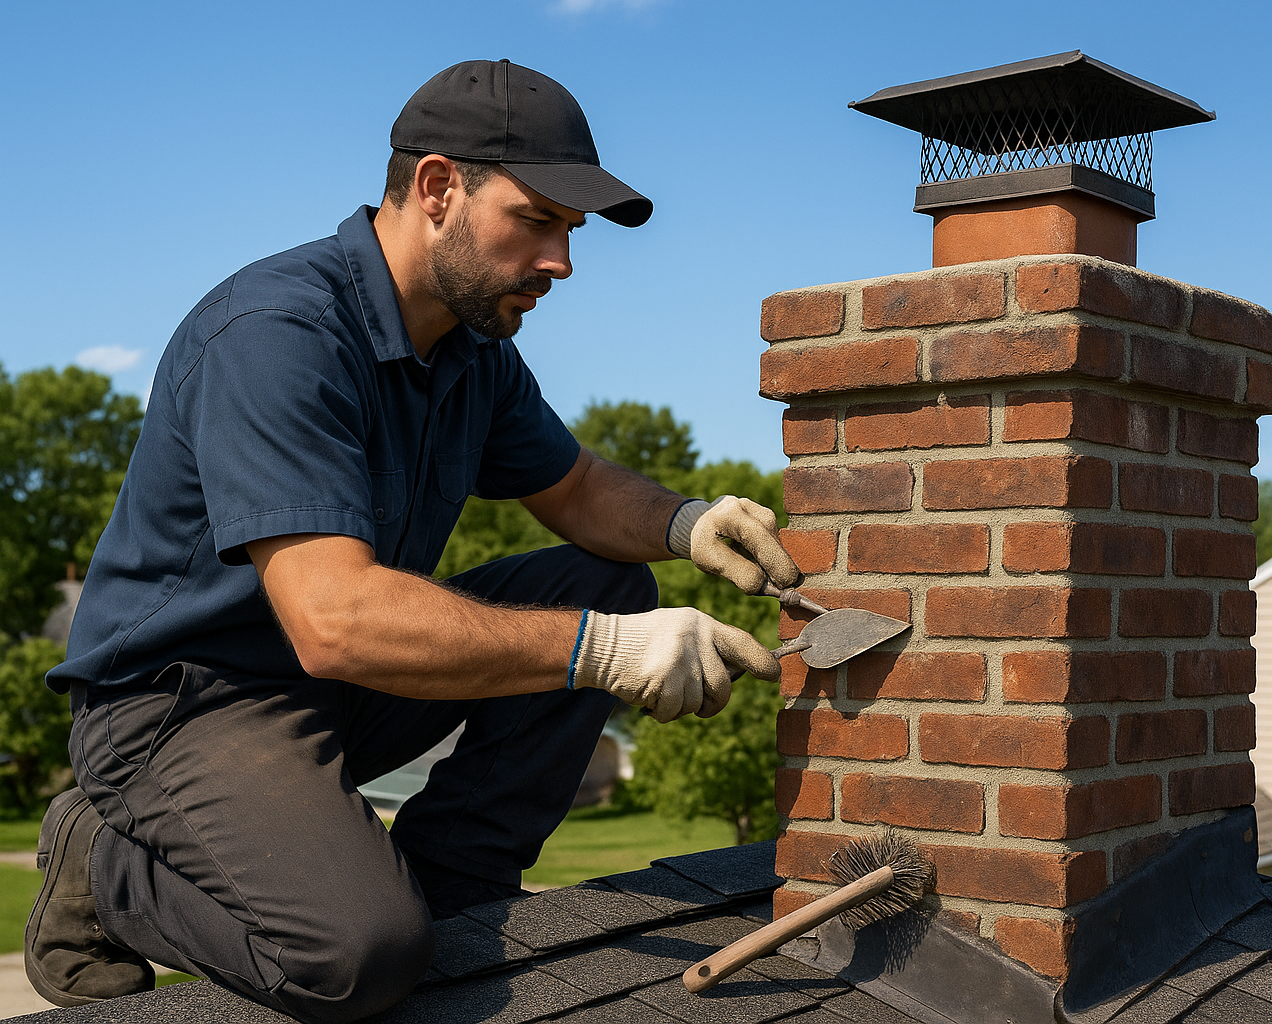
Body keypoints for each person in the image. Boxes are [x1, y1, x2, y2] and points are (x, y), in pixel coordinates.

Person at [24, 59, 800, 1024]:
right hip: (186, 704)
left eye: (572, 230)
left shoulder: (474, 353)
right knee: (354, 959)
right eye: (541, 219)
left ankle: (452, 889)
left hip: (333, 688)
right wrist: (600, 652)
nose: (563, 261)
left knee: (616, 579)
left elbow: (581, 489)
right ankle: (101, 869)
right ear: (438, 189)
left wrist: (688, 524)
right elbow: (338, 621)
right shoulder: (278, 333)